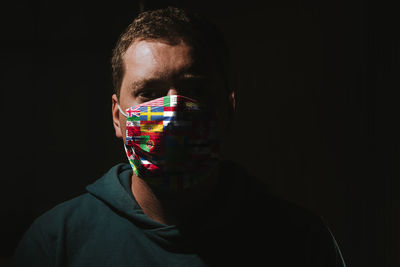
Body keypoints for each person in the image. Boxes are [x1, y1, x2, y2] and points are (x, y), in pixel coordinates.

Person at [12, 7, 346, 267]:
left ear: (228, 109)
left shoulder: (299, 240)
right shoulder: (58, 242)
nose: (171, 112)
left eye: (194, 89)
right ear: (118, 116)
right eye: (149, 92)